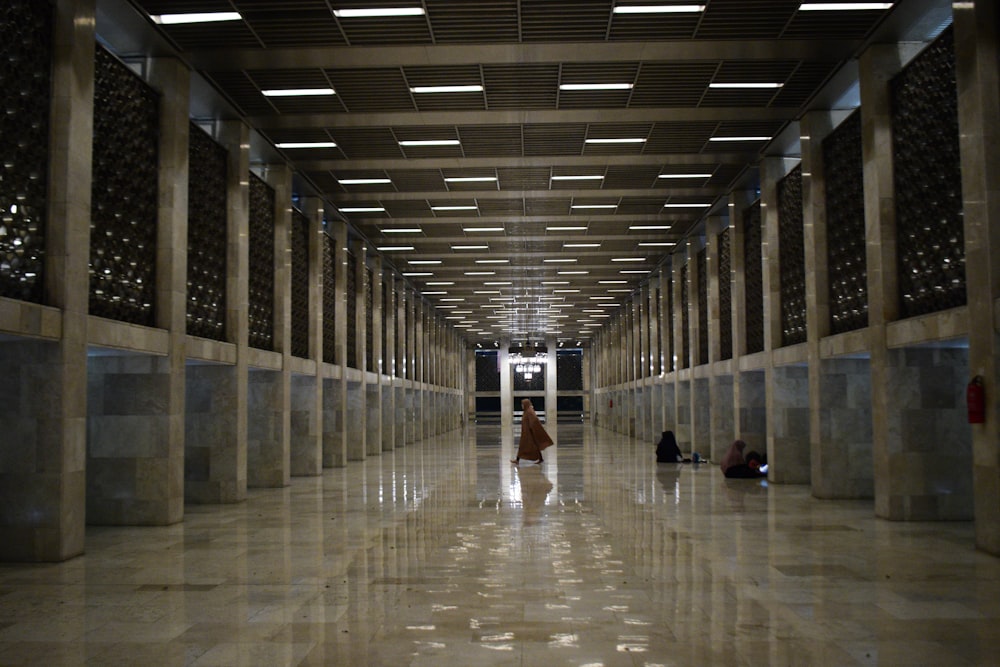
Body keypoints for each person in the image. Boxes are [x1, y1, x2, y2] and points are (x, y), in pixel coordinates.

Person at [511, 398, 553, 465]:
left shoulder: (529, 411)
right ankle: (518, 459)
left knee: (528, 446)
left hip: (529, 433)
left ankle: (518, 460)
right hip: (526, 432)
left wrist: (531, 428)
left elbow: (534, 420)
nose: (522, 406)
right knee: (527, 446)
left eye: (522, 404)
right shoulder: (527, 411)